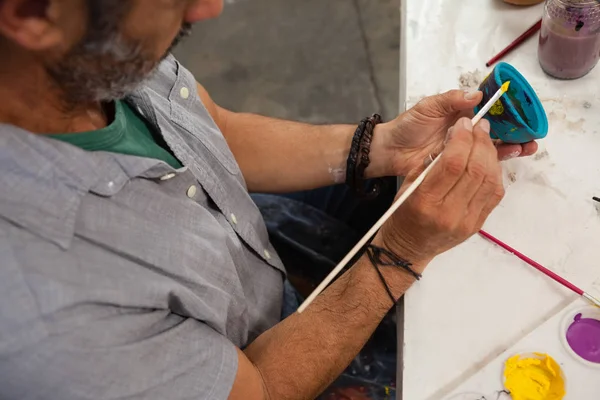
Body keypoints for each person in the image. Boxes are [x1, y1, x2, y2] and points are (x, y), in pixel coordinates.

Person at [0, 1, 538, 399]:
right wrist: (401, 254)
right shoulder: (50, 322)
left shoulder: (84, 56)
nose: (210, 7)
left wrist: (381, 147)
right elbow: (258, 387)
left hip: (250, 260)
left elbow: (215, 132)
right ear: (28, 14)